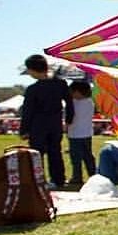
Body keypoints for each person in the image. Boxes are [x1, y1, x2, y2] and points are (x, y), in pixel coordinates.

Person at [19, 54, 73, 189]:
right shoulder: (60, 84)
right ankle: (59, 180)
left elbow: (27, 111)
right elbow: (69, 102)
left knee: (36, 154)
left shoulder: (33, 89)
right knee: (55, 152)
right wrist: (69, 119)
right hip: (55, 123)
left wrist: (24, 130)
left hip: (38, 125)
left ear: (32, 70)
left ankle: (38, 180)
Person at [66, 80, 97, 185]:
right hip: (87, 133)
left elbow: (69, 118)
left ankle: (77, 177)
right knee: (88, 156)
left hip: (75, 134)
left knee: (76, 158)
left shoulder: (73, 103)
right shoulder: (90, 102)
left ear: (78, 92)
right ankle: (93, 175)